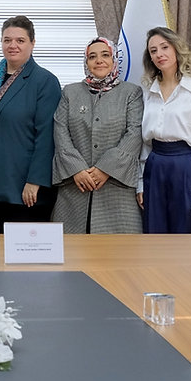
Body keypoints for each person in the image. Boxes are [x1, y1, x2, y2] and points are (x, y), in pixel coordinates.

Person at [0, 15, 61, 233]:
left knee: (26, 254)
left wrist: (35, 181)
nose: (13, 45)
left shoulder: (45, 81)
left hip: (24, 186)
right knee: (0, 246)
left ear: (32, 43)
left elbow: (47, 136)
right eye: (7, 40)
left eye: (20, 40)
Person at [51, 37, 144, 234]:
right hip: (75, 185)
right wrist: (77, 169)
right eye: (92, 57)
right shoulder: (70, 92)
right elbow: (60, 131)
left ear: (114, 60)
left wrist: (104, 169)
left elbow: (134, 133)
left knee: (116, 256)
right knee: (70, 253)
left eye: (105, 55)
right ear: (86, 63)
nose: (99, 60)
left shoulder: (131, 93)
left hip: (116, 186)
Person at [136, 27, 191, 235]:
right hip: (155, 167)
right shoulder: (147, 93)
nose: (159, 54)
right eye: (153, 51)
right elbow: (145, 145)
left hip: (186, 167)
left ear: (176, 50)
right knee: (155, 233)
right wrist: (140, 184)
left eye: (164, 47)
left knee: (186, 235)